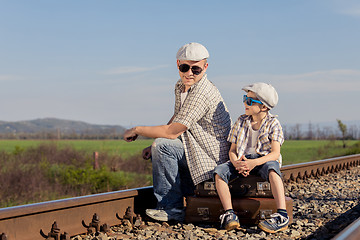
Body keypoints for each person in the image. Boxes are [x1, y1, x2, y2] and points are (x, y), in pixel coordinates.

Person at [123, 42, 232, 222]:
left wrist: (137, 130)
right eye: (184, 67)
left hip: (209, 162)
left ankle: (171, 208)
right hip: (194, 149)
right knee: (161, 145)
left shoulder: (202, 92)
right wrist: (155, 142)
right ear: (177, 65)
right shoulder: (180, 86)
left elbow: (173, 132)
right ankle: (174, 200)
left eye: (196, 69)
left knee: (164, 146)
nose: (189, 73)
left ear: (205, 67)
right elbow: (178, 117)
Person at [214, 82, 289, 233]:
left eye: (250, 101)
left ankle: (282, 215)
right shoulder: (241, 121)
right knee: (219, 172)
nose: (244, 103)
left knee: (273, 170)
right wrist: (236, 164)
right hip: (242, 160)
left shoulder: (273, 123)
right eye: (244, 98)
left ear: (264, 107)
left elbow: (274, 153)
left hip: (263, 160)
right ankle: (229, 214)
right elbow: (232, 150)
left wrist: (253, 163)